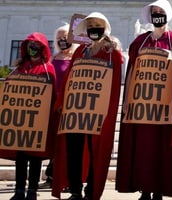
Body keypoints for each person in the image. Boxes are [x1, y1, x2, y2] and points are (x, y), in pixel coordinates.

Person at [116, 0, 172, 200]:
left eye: (161, 12)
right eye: (154, 12)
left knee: (161, 150)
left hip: (165, 108)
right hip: (141, 107)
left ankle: (159, 191)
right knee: (143, 150)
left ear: (168, 14)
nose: (158, 14)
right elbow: (132, 71)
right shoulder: (140, 42)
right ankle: (144, 190)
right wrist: (127, 99)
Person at [52, 12, 124, 200]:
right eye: (90, 25)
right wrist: (61, 103)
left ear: (104, 28)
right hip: (75, 111)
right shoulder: (79, 51)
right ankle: (75, 190)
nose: (93, 28)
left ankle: (91, 190)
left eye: (97, 24)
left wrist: (109, 111)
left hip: (98, 113)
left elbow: (115, 85)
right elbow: (69, 78)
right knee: (73, 150)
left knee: (95, 153)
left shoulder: (112, 54)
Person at [0, 32, 56, 200]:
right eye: (30, 45)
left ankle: (32, 191)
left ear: (43, 48)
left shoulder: (48, 69)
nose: (33, 48)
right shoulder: (19, 68)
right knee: (21, 158)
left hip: (38, 121)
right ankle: (19, 190)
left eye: (37, 45)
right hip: (21, 122)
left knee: (36, 159)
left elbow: (52, 94)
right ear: (25, 47)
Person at [40, 24, 80, 189]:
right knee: (54, 142)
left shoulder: (77, 58)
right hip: (52, 106)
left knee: (68, 144)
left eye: (65, 37)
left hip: (70, 106)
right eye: (59, 38)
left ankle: (68, 179)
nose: (62, 40)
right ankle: (52, 176)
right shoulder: (52, 59)